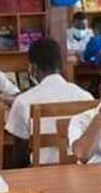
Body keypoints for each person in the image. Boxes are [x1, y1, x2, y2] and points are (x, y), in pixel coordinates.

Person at [6, 38, 94, 168]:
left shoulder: (23, 101)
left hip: (43, 172)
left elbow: (20, 155)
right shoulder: (86, 97)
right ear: (61, 65)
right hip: (80, 170)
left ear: (33, 67)